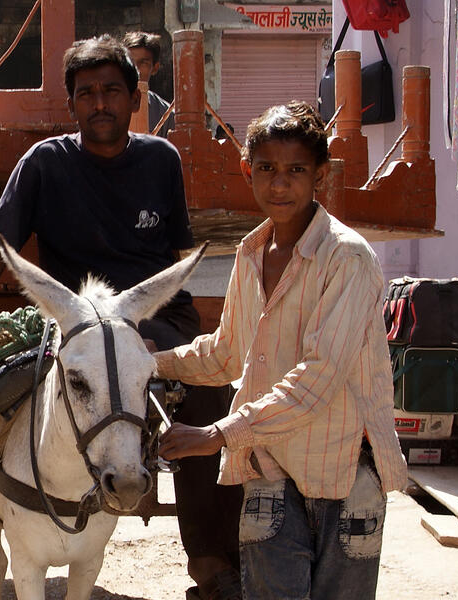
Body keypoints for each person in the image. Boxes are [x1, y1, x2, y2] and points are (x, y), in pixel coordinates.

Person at [0, 35, 243, 600]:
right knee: (11, 390)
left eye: (112, 90)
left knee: (211, 398)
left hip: (150, 323)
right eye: (86, 93)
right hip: (77, 323)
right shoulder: (44, 164)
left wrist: (162, 344)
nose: (100, 103)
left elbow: (173, 261)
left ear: (136, 98)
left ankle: (211, 563)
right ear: (72, 105)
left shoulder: (161, 160)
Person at [155, 102, 410, 600]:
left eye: (296, 170)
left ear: (320, 176)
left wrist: (216, 435)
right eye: (267, 168)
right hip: (270, 468)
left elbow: (317, 379)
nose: (280, 184)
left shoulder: (348, 258)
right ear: (247, 171)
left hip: (342, 474)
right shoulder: (251, 254)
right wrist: (149, 361)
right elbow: (227, 354)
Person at [123, 31, 173, 136]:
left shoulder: (165, 115)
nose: (136, 70)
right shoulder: (105, 105)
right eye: (130, 62)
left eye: (143, 63)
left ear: (155, 68)